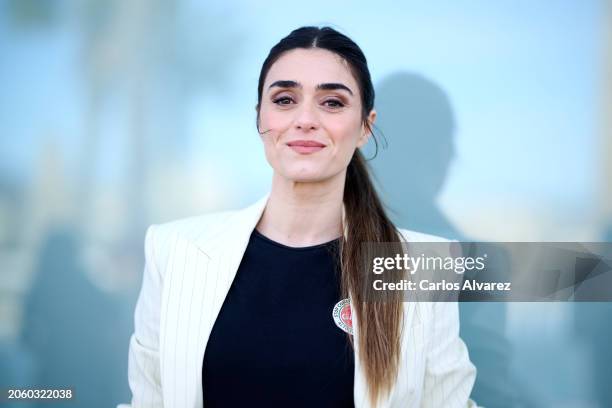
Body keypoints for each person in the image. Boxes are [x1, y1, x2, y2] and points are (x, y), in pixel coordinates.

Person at [118, 26, 478, 408]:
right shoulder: (174, 252)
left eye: (332, 103)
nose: (305, 119)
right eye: (285, 99)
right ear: (260, 118)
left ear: (365, 128)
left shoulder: (420, 266)